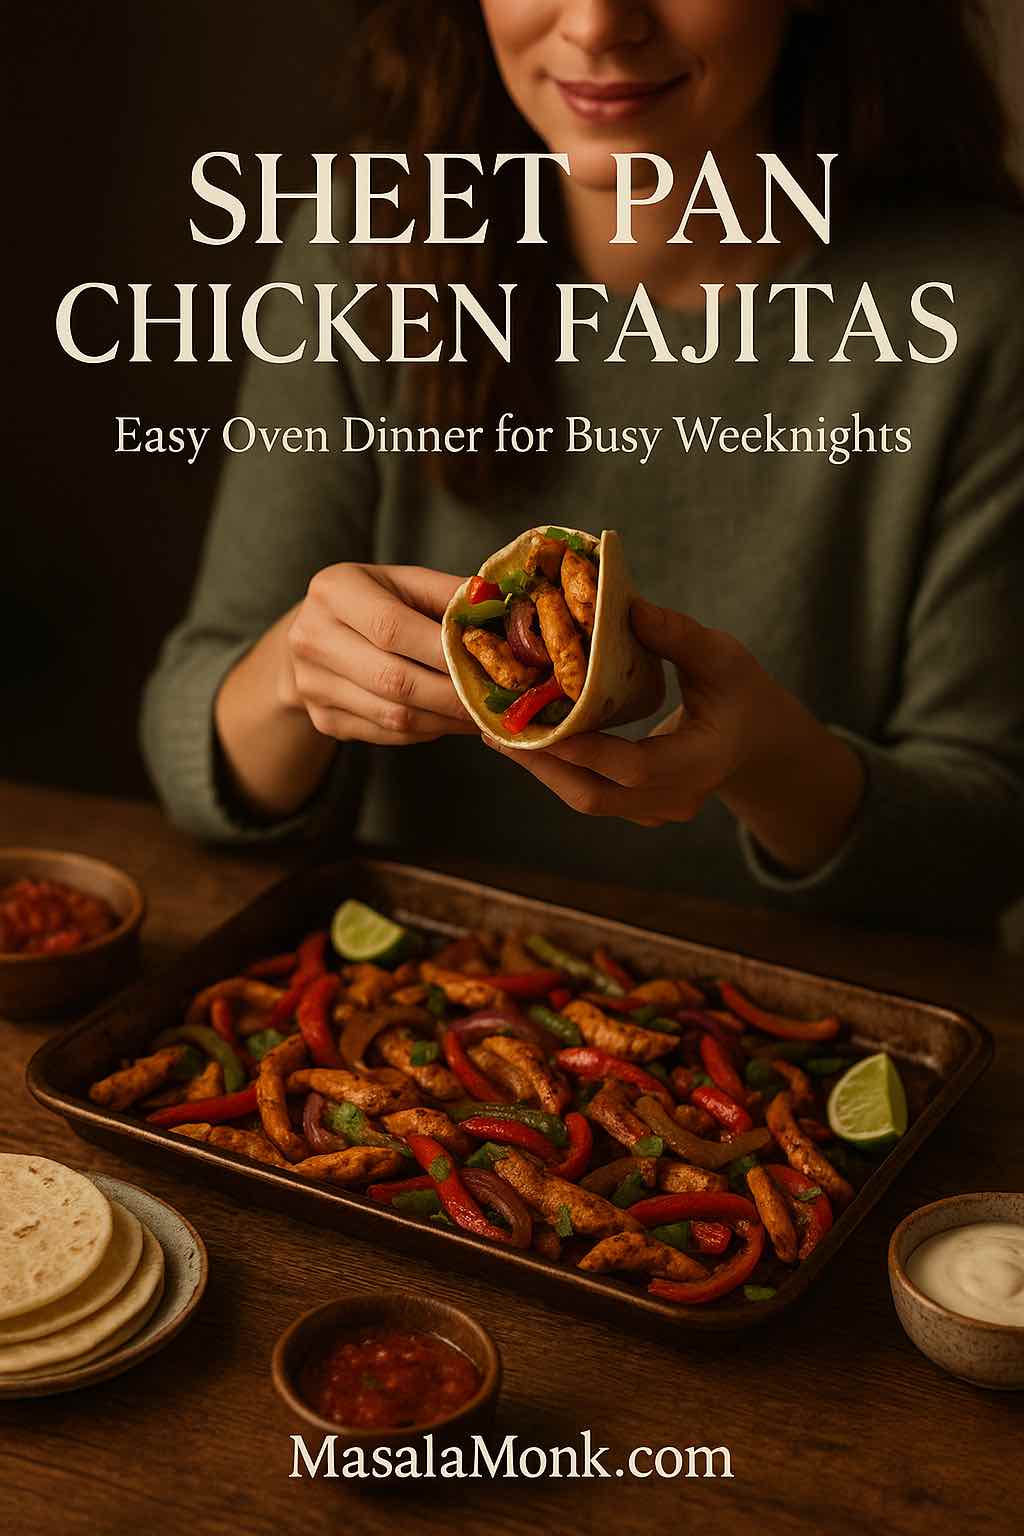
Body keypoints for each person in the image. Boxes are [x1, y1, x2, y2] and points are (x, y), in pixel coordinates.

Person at [142, 0, 1024, 934]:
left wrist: (766, 759)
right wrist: (293, 672)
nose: (599, 24)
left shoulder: (981, 315)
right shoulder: (370, 248)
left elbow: (984, 846)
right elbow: (197, 753)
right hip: (423, 988)